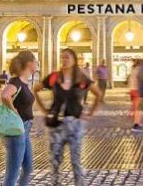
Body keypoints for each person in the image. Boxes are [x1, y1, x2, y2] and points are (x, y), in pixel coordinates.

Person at [34, 48, 102, 186]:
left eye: (67, 57)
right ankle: (56, 183)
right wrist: (44, 110)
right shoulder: (54, 77)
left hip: (75, 125)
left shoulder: (81, 78)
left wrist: (90, 113)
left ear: (74, 60)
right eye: (62, 57)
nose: (64, 60)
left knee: (76, 161)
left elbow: (98, 94)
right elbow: (35, 89)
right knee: (55, 161)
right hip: (56, 125)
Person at [0, 50, 37, 186]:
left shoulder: (24, 82)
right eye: (36, 62)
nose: (37, 64)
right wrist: (13, 110)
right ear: (29, 64)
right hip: (16, 131)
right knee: (13, 172)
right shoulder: (16, 81)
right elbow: (5, 95)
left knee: (27, 168)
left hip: (24, 130)